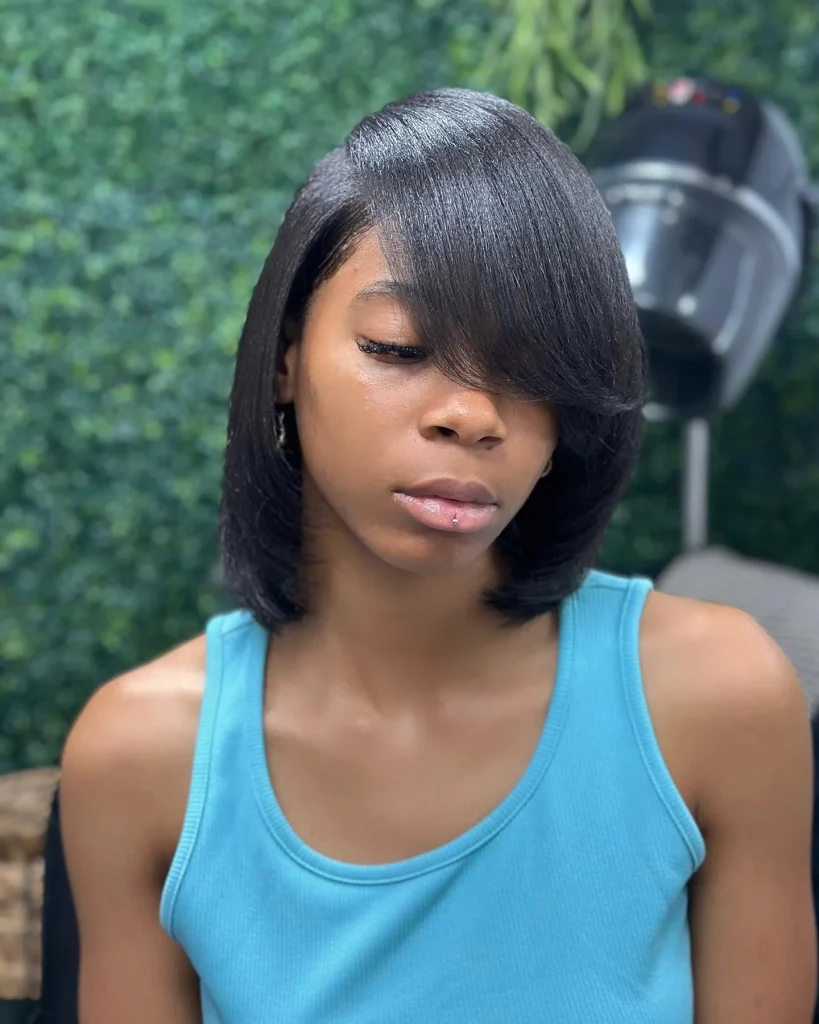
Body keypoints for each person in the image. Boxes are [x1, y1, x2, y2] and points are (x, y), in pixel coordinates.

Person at [59, 88, 816, 1023]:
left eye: (533, 372)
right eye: (400, 347)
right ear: (286, 360)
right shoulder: (140, 755)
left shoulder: (717, 698)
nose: (473, 415)